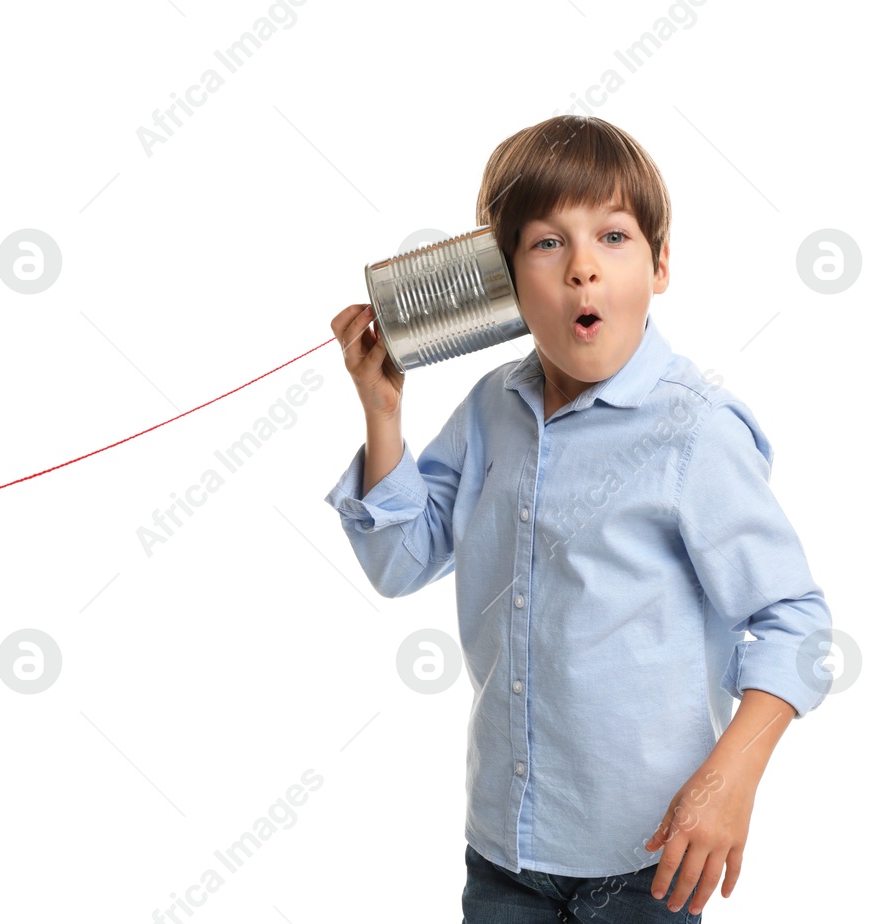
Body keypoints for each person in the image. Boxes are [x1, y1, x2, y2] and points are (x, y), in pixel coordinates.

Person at [323, 115, 833, 923]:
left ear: (661, 264)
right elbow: (399, 563)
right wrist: (383, 414)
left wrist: (729, 781)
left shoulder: (694, 431)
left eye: (614, 237)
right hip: (505, 853)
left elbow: (796, 623)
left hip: (647, 863)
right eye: (547, 244)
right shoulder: (493, 408)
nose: (584, 269)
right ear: (504, 281)